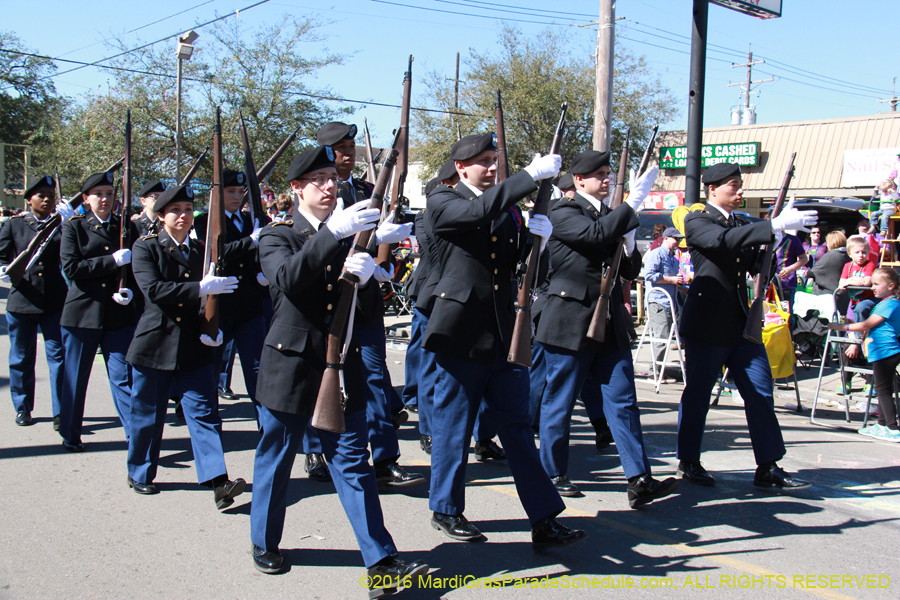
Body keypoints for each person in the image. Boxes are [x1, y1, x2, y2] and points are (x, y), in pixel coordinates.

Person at [251, 146, 429, 593]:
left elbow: (364, 315)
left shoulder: (351, 237)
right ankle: (264, 542)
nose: (331, 187)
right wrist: (333, 233)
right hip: (290, 367)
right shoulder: (278, 236)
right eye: (319, 180)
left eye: (333, 178)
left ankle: (382, 560)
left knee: (352, 463)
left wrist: (370, 277)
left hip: (338, 368)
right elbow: (290, 278)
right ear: (296, 189)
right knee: (277, 458)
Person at [422, 132, 585, 547]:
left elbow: (516, 267)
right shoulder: (444, 200)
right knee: (454, 426)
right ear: (460, 167)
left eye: (495, 159)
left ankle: (544, 517)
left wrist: (540, 241)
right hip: (460, 331)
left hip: (502, 333)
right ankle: (446, 507)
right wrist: (530, 175)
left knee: (516, 428)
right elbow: (475, 212)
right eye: (483, 161)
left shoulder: (508, 209)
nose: (493, 167)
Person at [533, 149, 678, 506]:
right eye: (598, 175)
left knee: (623, 401)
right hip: (569, 320)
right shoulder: (562, 211)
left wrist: (629, 246)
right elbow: (595, 235)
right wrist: (632, 206)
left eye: (608, 174)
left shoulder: (611, 216)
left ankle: (639, 477)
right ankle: (553, 471)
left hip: (608, 320)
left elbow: (629, 272)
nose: (605, 179)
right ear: (579, 180)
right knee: (560, 401)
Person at [676, 162, 816, 491]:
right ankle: (689, 460)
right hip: (707, 323)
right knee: (698, 394)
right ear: (712, 189)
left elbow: (755, 262)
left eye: (741, 185)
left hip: (741, 322)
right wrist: (771, 226)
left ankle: (768, 465)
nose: (740, 191)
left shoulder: (742, 221)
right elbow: (723, 242)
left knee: (760, 391)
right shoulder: (698, 220)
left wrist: (780, 236)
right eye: (733, 185)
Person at [309, 121, 424, 487]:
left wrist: (380, 260)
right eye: (339, 149)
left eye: (349, 149)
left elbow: (378, 241)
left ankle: (386, 458)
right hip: (325, 301)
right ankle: (315, 449)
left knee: (375, 378)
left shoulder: (365, 190)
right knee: (319, 374)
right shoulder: (315, 193)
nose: (346, 155)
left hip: (365, 301)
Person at [126, 184, 247, 506]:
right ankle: (140, 471)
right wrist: (199, 286)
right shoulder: (146, 248)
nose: (182, 216)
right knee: (147, 416)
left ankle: (218, 482)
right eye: (174, 211)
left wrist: (214, 328)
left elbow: (209, 301)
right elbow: (153, 290)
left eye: (186, 211)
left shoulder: (198, 252)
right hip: (155, 344)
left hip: (193, 347)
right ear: (162, 216)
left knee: (204, 414)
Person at [58, 171, 140, 452]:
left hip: (118, 315)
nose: (105, 199)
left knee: (124, 377)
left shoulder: (126, 227)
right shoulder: (74, 227)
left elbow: (139, 269)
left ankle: (135, 438)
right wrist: (111, 261)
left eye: (109, 193)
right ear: (86, 199)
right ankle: (70, 433)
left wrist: (130, 291)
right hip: (83, 314)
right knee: (75, 377)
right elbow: (72, 269)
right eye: (98, 194)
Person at [193, 169, 267, 421]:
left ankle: (266, 425)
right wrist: (251, 241)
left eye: (239, 191)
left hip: (250, 305)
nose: (237, 196)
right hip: (220, 305)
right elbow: (218, 250)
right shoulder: (205, 221)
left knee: (257, 368)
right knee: (211, 367)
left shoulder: (253, 220)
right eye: (230, 191)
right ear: (217, 194)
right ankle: (207, 420)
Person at [0, 176, 66, 428]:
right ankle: (22, 407)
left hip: (54, 300)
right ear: (29, 200)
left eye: (51, 195)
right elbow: (2, 254)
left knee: (58, 357)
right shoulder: (14, 225)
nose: (47, 199)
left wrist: (70, 222)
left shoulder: (61, 225)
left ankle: (61, 410)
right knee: (21, 356)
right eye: (41, 195)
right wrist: (4, 268)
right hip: (22, 299)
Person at [828, 267, 900, 441]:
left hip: (885, 352)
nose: (872, 287)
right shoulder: (886, 302)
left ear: (891, 286)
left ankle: (891, 427)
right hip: (881, 351)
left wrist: (842, 327)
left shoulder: (890, 303)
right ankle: (881, 424)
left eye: (877, 284)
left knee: (883, 390)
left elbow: (866, 325)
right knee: (883, 388)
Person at [644, 226, 685, 382]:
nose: (678, 242)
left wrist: (683, 289)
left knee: (666, 337)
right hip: (657, 301)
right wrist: (672, 280)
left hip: (669, 302)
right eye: (676, 239)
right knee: (661, 337)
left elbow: (674, 281)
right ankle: (654, 372)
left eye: (679, 239)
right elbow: (649, 275)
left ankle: (659, 370)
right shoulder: (656, 254)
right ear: (666, 238)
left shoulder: (674, 259)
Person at [774, 229, 807, 313]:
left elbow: (804, 259)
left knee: (785, 314)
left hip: (785, 284)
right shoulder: (766, 239)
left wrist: (790, 269)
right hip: (766, 284)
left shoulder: (792, 240)